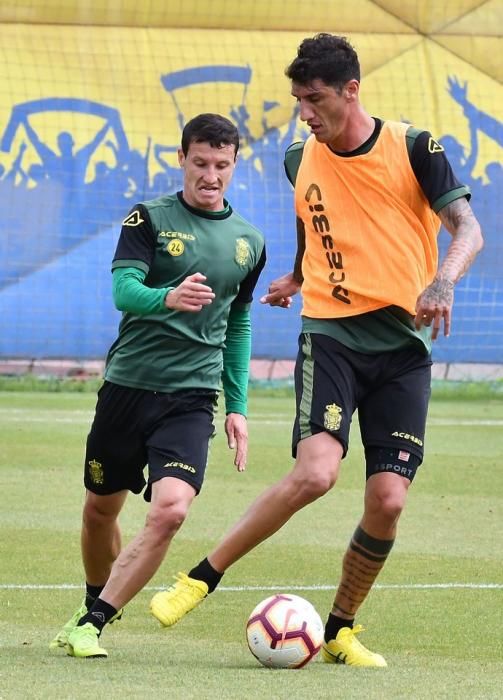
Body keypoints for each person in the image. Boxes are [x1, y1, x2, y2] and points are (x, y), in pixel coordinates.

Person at [149, 34, 483, 667]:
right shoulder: (300, 154)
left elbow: (469, 228)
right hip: (330, 332)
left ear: (350, 90)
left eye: (315, 98)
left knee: (388, 500)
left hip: (403, 344)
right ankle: (198, 578)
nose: (304, 111)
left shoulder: (414, 147)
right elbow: (313, 218)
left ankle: (340, 632)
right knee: (316, 473)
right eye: (299, 98)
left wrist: (442, 281)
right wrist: (302, 275)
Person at [49, 113, 266, 658]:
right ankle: (93, 598)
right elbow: (124, 290)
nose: (210, 175)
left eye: (221, 165)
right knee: (101, 509)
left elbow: (238, 323)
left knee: (170, 509)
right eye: (200, 163)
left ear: (234, 165)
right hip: (127, 387)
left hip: (192, 398)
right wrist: (166, 297)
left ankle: (93, 623)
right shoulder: (146, 218)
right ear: (182, 159)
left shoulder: (249, 242)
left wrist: (236, 405)